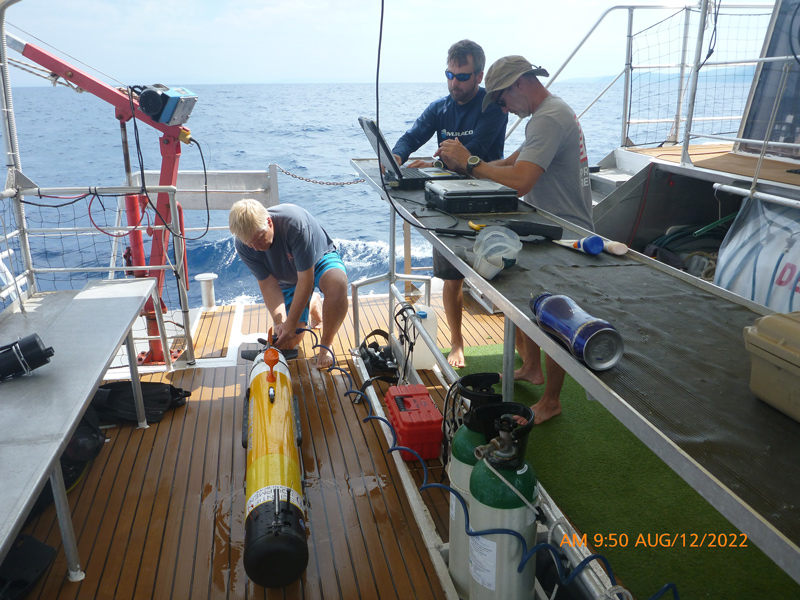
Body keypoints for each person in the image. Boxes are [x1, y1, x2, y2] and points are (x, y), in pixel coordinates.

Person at [436, 55, 593, 424]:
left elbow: (521, 181)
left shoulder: (548, 118)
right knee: (523, 300)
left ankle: (551, 401)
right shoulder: (546, 116)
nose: (503, 107)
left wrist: (470, 164)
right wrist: (465, 162)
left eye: (502, 99)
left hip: (565, 232)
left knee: (557, 318)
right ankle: (531, 369)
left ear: (520, 84)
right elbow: (509, 164)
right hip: (546, 226)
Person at [391, 39, 508, 369]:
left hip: (489, 200)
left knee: (503, 279)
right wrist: (397, 158)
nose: (454, 83)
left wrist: (437, 161)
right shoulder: (440, 107)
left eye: (463, 76)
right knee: (451, 277)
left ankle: (526, 355)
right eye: (450, 75)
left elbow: (474, 150)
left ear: (479, 76)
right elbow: (413, 135)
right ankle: (457, 342)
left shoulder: (494, 107)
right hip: (448, 204)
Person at [229, 199, 348, 369]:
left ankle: (326, 346)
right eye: (251, 244)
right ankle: (312, 301)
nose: (256, 248)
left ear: (269, 222)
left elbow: (306, 279)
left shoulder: (294, 225)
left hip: (318, 260)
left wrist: (291, 323)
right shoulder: (244, 245)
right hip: (288, 277)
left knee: (338, 284)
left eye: (260, 239)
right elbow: (268, 285)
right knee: (288, 344)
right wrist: (281, 324)